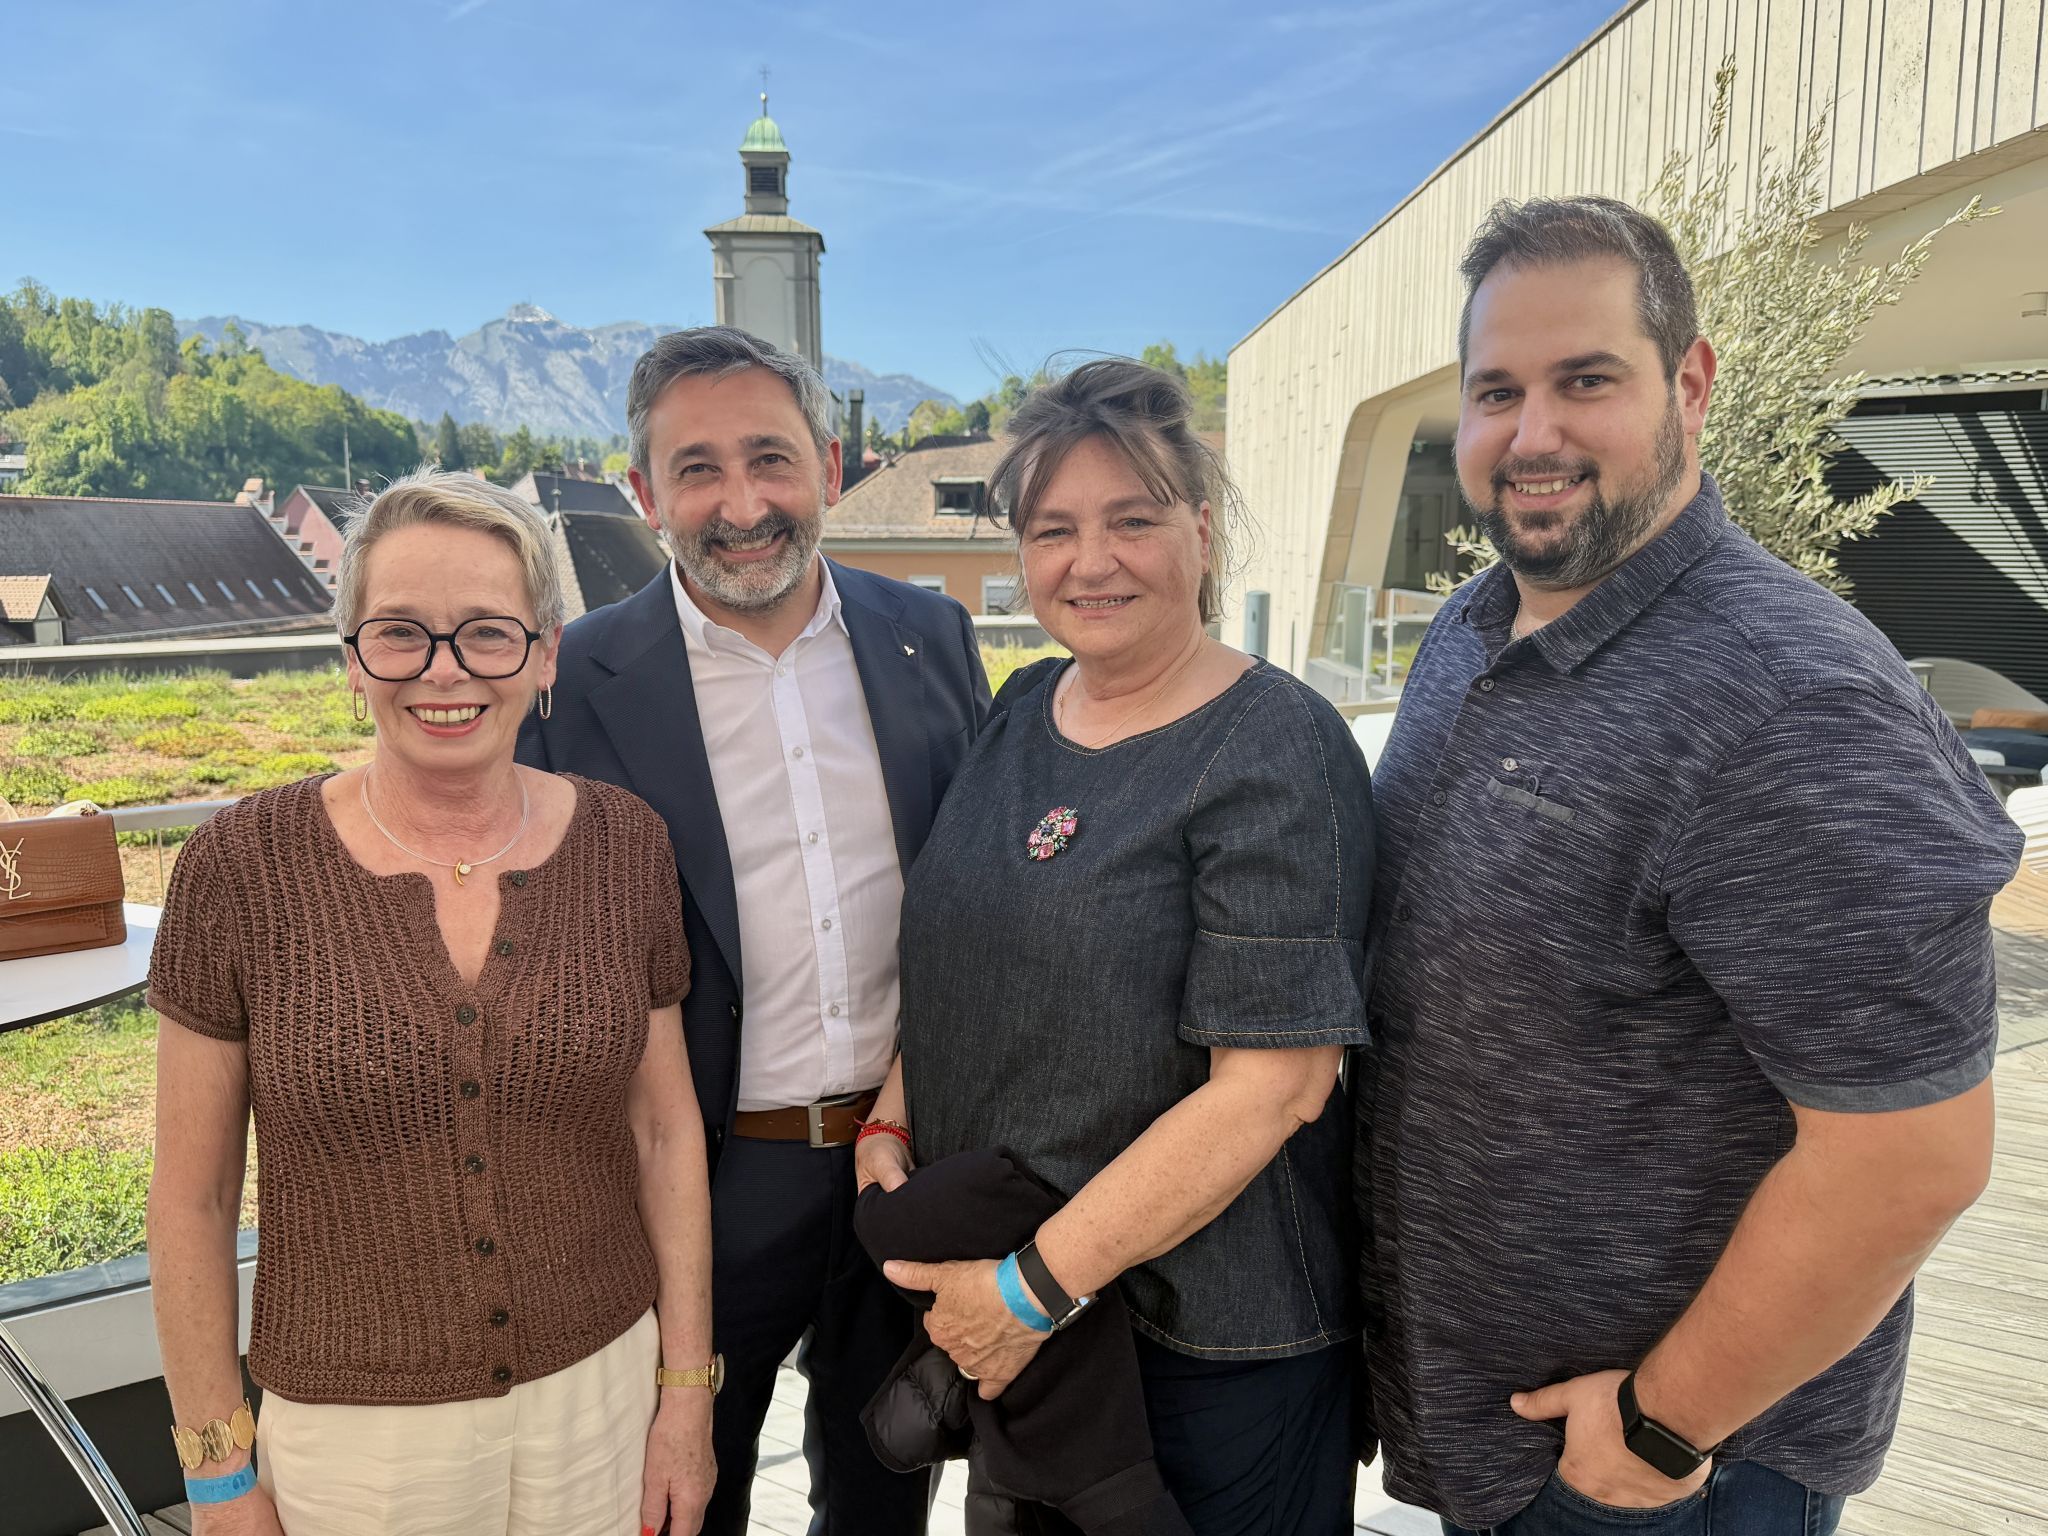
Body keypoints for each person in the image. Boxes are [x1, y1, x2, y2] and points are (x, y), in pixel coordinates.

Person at [1358, 195, 2023, 1536]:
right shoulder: (1471, 633)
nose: (1532, 434)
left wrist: (1659, 1428)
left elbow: (1910, 1157)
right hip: (1499, 1439)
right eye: (1498, 391)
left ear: (1690, 383)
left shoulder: (1796, 701)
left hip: (1669, 1473)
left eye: (1585, 380)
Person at [147, 469, 717, 1536]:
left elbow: (662, 1129)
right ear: (351, 655)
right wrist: (218, 1470)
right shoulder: (242, 868)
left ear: (545, 654)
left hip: (601, 1396)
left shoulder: (623, 843)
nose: (444, 672)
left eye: (488, 633)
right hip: (356, 1440)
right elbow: (191, 1194)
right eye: (400, 632)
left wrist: (685, 1395)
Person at [870, 358, 1373, 1536]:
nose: (1089, 562)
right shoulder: (1018, 707)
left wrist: (1027, 1291)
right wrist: (891, 1119)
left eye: (1130, 521)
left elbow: (1274, 1087)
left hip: (1197, 1348)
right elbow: (959, 949)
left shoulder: (1272, 747)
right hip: (1023, 1325)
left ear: (1200, 530)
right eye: (1053, 530)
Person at [520, 325, 990, 1536]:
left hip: (905, 1161)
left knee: (886, 1485)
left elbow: (980, 892)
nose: (741, 504)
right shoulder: (573, 685)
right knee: (681, 1496)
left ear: (830, 467)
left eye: (771, 459)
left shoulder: (928, 639)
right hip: (702, 1180)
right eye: (697, 469)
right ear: (642, 492)